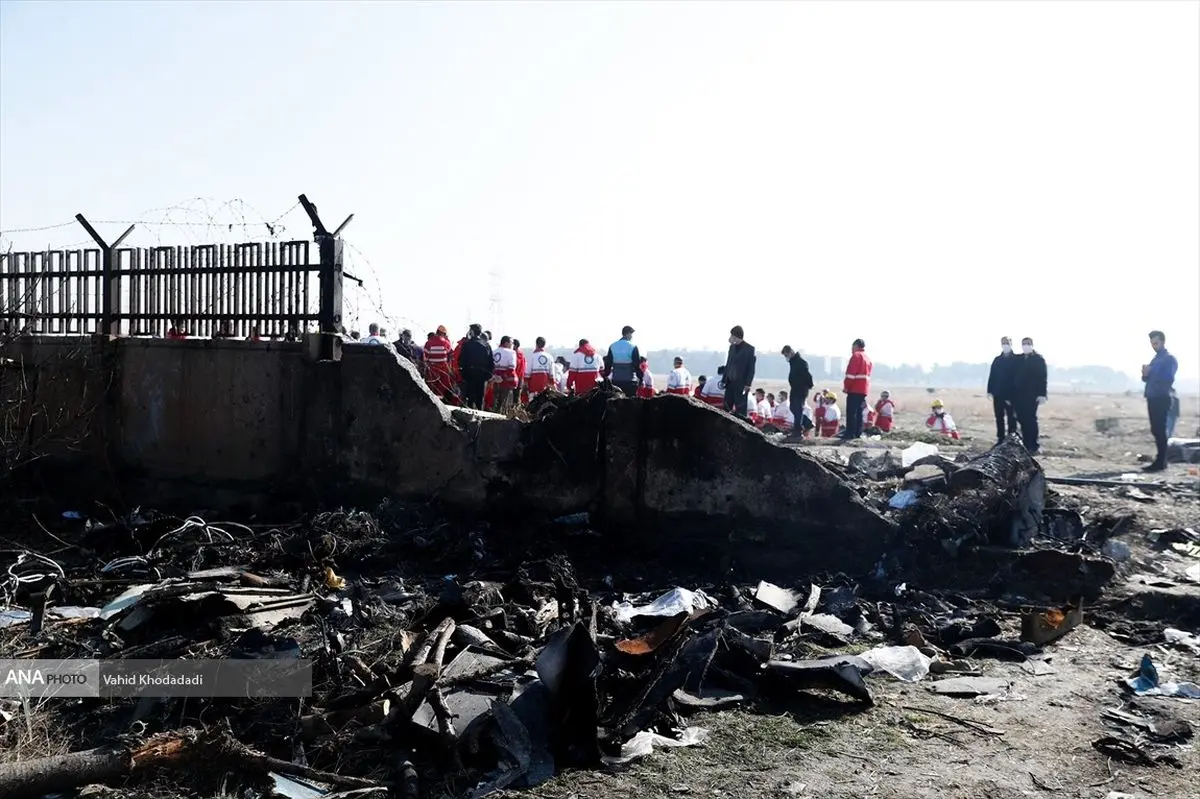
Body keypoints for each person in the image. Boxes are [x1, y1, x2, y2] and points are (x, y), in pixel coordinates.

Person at [1142, 330, 1178, 472]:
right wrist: (1145, 374)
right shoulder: (1155, 359)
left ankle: (1161, 461)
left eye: (1156, 343)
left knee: (1160, 429)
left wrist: (1151, 372)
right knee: (1156, 430)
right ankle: (1160, 459)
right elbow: (1148, 379)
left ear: (1162, 342)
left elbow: (1168, 378)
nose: (1153, 345)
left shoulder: (1169, 359)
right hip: (1152, 397)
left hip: (1162, 397)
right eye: (1152, 343)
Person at [1013, 337, 1048, 454]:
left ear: (1032, 345)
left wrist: (1042, 394)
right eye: (1024, 344)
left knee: (1031, 419)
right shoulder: (1019, 359)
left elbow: (1042, 377)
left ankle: (1034, 445)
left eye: (1028, 344)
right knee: (1021, 419)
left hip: (1032, 395)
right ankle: (1026, 443)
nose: (1025, 346)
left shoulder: (1038, 359)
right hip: (1019, 394)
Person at [986, 336, 1020, 444]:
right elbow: (992, 376)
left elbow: (1018, 377)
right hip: (998, 393)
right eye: (1004, 343)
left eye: (1007, 343)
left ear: (1011, 344)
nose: (1005, 345)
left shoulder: (1016, 360)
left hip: (1012, 394)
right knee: (999, 417)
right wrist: (990, 390)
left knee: (1012, 417)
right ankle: (1000, 438)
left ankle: (1011, 438)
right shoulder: (997, 360)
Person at [840, 339, 872, 440]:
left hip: (854, 388)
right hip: (863, 389)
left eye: (852, 346)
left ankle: (849, 433)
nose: (851, 349)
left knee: (851, 412)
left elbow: (851, 374)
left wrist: (846, 387)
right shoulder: (867, 358)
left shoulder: (856, 356)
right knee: (859, 412)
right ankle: (858, 433)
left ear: (856, 346)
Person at [457, 324, 494, 410]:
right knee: (480, 400)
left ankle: (470, 420)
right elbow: (491, 363)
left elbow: (461, 361)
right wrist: (488, 375)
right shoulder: (486, 345)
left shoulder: (467, 344)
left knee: (470, 399)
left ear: (472, 332)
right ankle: (479, 420)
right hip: (482, 376)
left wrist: (463, 373)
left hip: (470, 375)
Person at [722, 326, 756, 417]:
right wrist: (724, 379)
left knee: (741, 409)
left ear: (736, 336)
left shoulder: (749, 349)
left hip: (741, 384)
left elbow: (751, 368)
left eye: (732, 335)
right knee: (726, 407)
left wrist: (748, 383)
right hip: (730, 383)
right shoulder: (732, 347)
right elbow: (728, 363)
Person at [780, 345, 814, 435]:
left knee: (798, 408)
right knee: (792, 408)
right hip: (795, 389)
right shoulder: (793, 362)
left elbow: (807, 376)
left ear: (791, 352)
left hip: (801, 389)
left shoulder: (801, 362)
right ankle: (807, 423)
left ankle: (797, 431)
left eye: (786, 355)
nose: (786, 358)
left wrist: (809, 385)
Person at [604, 326, 641, 397]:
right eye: (631, 334)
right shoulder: (633, 346)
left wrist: (606, 375)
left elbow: (608, 364)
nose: (631, 336)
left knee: (617, 403)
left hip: (616, 381)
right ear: (628, 334)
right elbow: (637, 364)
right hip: (630, 381)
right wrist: (641, 378)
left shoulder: (612, 346)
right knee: (630, 404)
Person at [423, 327, 455, 400]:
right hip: (443, 370)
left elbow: (426, 358)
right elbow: (451, 355)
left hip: (432, 369)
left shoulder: (428, 343)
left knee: (431, 388)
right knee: (441, 389)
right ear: (443, 334)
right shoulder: (446, 343)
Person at [491, 336, 519, 413]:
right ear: (506, 343)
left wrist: (495, 377)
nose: (512, 345)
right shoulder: (511, 352)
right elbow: (511, 369)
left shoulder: (494, 351)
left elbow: (490, 367)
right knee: (504, 405)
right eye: (511, 343)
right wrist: (502, 377)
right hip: (506, 382)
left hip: (494, 380)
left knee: (495, 402)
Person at [512, 338, 527, 406]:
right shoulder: (521, 354)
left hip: (514, 379)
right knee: (517, 398)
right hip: (520, 378)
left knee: (514, 398)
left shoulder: (515, 354)